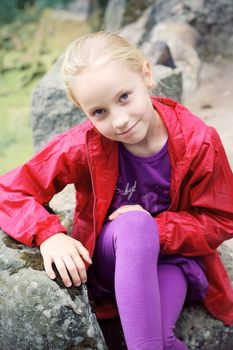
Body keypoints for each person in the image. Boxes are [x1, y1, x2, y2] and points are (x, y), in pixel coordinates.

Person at [0, 31, 233, 350]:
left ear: (146, 74)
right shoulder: (83, 145)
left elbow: (223, 218)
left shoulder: (199, 141)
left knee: (159, 340)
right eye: (99, 112)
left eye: (124, 96)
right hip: (110, 261)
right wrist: (49, 234)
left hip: (171, 261)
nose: (120, 120)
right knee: (135, 226)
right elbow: (10, 191)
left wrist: (159, 229)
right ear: (84, 112)